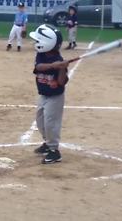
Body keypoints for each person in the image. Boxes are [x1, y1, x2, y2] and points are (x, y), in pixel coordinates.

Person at [29, 24, 70, 164]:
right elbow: (38, 67)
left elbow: (61, 82)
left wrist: (63, 69)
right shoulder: (41, 55)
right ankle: (47, 143)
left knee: (50, 123)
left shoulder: (59, 58)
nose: (36, 43)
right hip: (43, 95)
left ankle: (54, 151)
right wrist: (54, 66)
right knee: (40, 122)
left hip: (55, 97)